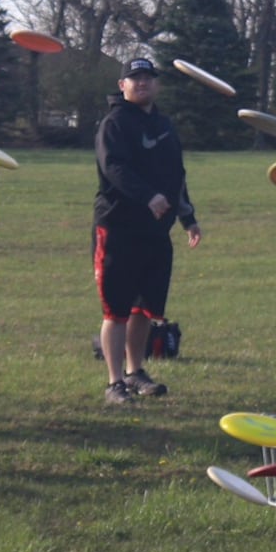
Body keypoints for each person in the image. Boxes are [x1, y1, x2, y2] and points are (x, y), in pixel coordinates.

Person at [94, 58, 201, 406]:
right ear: (122, 84)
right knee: (117, 311)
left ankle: (135, 371)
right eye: (134, 78)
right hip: (119, 228)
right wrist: (148, 196)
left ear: (156, 85)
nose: (142, 84)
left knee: (145, 308)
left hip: (156, 233)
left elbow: (177, 176)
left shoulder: (164, 125)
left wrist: (187, 217)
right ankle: (114, 383)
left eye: (148, 79)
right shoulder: (114, 123)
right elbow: (114, 168)